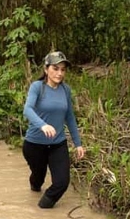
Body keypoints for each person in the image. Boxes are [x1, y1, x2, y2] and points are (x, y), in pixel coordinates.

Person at [22, 51, 85, 209]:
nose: (59, 73)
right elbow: (27, 109)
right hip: (34, 144)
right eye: (55, 68)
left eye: (63, 69)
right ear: (46, 69)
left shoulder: (66, 90)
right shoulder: (37, 87)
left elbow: (69, 117)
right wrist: (43, 125)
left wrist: (78, 144)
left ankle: (42, 210)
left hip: (57, 144)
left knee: (62, 182)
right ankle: (35, 188)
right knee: (38, 180)